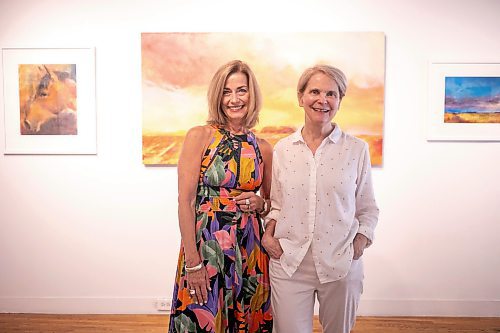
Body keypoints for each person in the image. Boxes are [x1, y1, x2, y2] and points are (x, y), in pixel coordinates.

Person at [262, 64, 379, 333]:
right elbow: (277, 206)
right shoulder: (283, 150)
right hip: (289, 263)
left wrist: (359, 243)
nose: (322, 100)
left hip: (341, 264)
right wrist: (268, 236)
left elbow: (368, 208)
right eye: (314, 91)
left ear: (339, 100)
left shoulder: (356, 149)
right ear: (300, 97)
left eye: (331, 93)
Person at [168, 60, 273, 333]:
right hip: (207, 247)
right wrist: (193, 263)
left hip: (249, 249)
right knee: (201, 321)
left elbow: (272, 206)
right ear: (218, 96)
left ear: (252, 95)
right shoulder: (200, 136)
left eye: (241, 90)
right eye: (227, 92)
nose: (234, 99)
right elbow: (186, 202)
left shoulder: (263, 147)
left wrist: (261, 204)